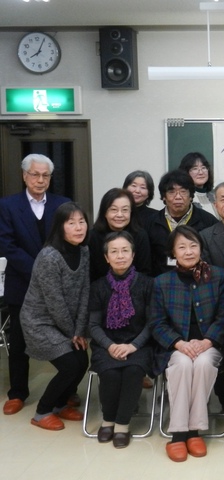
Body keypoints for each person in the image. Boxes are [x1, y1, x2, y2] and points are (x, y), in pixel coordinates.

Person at [0, 153, 71, 416]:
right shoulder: (7, 206)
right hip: (23, 285)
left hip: (59, 287)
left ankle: (67, 393)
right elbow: (7, 244)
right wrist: (40, 272)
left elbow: (71, 240)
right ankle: (17, 393)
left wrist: (52, 275)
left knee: (64, 339)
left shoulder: (63, 204)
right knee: (18, 343)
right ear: (24, 175)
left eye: (45, 175)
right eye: (34, 174)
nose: (40, 180)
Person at [150, 225, 224, 462]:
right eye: (182, 247)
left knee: (203, 364)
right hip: (177, 347)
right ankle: (179, 434)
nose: (188, 251)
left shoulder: (218, 276)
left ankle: (194, 431)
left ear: (201, 249)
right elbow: (156, 322)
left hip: (209, 344)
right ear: (173, 252)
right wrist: (179, 344)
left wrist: (207, 341)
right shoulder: (162, 282)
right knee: (183, 365)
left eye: (193, 245)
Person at [21, 202, 90, 431]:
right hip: (39, 322)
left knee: (82, 360)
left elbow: (84, 292)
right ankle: (42, 412)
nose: (79, 227)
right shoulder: (49, 256)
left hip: (67, 323)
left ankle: (60, 405)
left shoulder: (84, 251)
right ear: (60, 227)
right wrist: (72, 333)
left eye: (81, 221)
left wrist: (80, 331)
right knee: (70, 364)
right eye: (71, 223)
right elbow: (55, 303)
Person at [89, 231, 154, 448]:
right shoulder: (98, 287)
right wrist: (110, 345)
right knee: (110, 373)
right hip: (106, 344)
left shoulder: (147, 284)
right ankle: (108, 420)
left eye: (125, 250)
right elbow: (93, 325)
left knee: (133, 371)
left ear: (133, 255)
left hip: (139, 344)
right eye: (114, 252)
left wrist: (133, 345)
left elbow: (153, 323)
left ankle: (123, 424)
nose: (120, 256)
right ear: (106, 257)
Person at [147, 169, 217, 276]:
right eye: (172, 192)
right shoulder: (150, 223)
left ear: (191, 196)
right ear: (164, 197)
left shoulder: (208, 221)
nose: (178, 197)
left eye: (183, 191)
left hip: (199, 282)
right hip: (162, 283)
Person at [88, 188, 152, 282]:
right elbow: (91, 273)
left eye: (125, 210)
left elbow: (145, 271)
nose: (119, 215)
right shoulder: (93, 236)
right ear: (105, 212)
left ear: (131, 212)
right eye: (114, 210)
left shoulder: (140, 235)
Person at [179, 152, 218, 218]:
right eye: (195, 168)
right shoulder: (183, 198)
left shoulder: (215, 196)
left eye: (203, 167)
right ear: (185, 172)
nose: (201, 172)